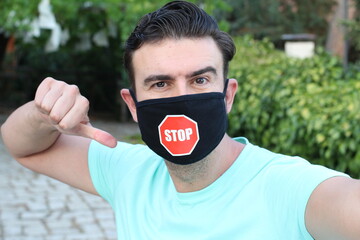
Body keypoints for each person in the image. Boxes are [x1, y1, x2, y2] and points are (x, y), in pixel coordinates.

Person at [1, 1, 359, 239]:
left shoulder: (289, 188)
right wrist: (44, 113)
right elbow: (19, 144)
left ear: (228, 94)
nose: (181, 99)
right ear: (134, 105)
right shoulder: (129, 172)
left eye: (200, 80)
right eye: (160, 83)